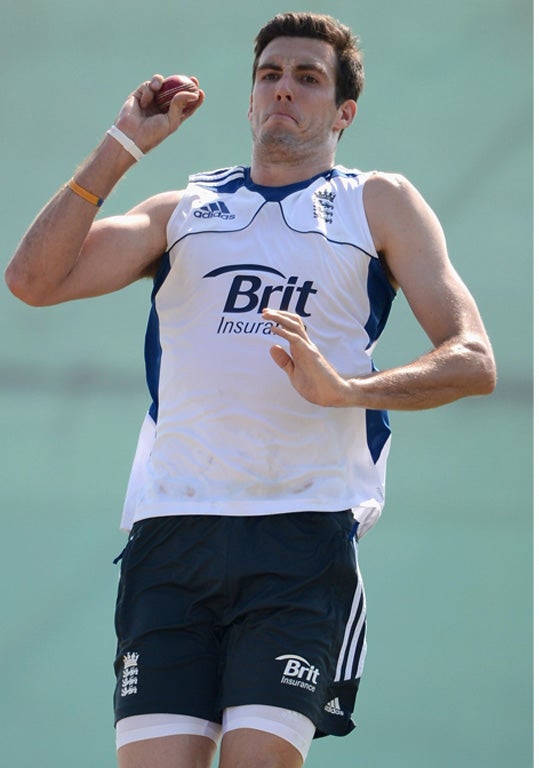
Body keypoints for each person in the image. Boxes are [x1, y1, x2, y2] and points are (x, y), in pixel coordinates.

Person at [6, 12, 495, 768]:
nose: (283, 92)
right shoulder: (182, 211)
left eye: (307, 78)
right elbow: (31, 281)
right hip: (171, 533)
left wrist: (343, 391)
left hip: (299, 534)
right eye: (270, 75)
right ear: (249, 97)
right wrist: (123, 145)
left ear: (343, 112)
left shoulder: (379, 202)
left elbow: (472, 359)